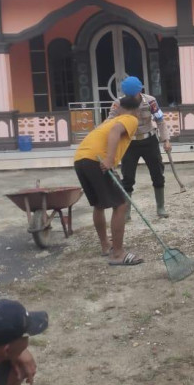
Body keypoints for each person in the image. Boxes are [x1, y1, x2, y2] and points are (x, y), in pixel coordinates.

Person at [73, 93, 143, 264]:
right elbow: (115, 132)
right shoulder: (130, 119)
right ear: (137, 110)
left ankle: (106, 246)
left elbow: (109, 132)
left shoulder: (111, 120)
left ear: (118, 108)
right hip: (97, 160)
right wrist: (110, 159)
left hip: (81, 159)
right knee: (120, 205)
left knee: (99, 204)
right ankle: (118, 254)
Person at [105, 76, 172, 219]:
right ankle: (126, 212)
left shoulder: (150, 101)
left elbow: (160, 120)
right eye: (129, 95)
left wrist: (166, 140)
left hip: (149, 141)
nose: (132, 98)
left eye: (133, 94)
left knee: (158, 174)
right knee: (128, 178)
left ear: (140, 90)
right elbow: (109, 123)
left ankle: (160, 207)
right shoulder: (118, 104)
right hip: (129, 143)